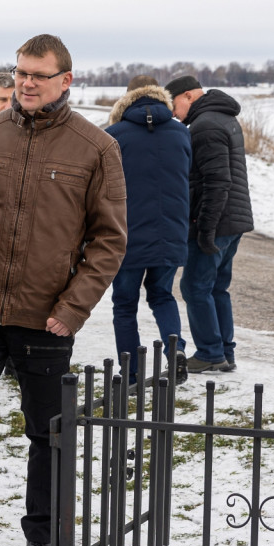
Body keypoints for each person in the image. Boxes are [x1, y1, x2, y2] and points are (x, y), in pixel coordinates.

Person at [0, 34, 127, 546]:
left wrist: (73, 308)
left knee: (47, 431)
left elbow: (109, 241)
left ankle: (43, 538)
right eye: (21, 72)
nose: (27, 82)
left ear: (66, 80)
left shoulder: (96, 148)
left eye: (39, 74)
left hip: (46, 318)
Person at [106, 75, 192, 384]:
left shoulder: (114, 136)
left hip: (128, 235)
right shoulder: (181, 134)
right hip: (171, 233)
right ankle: (176, 351)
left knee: (125, 304)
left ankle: (131, 372)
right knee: (162, 295)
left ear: (127, 99)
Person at [164, 75, 254, 373]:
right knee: (216, 287)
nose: (174, 114)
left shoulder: (205, 126)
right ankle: (224, 352)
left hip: (217, 221)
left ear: (188, 96)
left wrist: (205, 230)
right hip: (234, 219)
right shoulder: (223, 118)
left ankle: (210, 354)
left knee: (194, 287)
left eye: (174, 105)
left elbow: (217, 182)